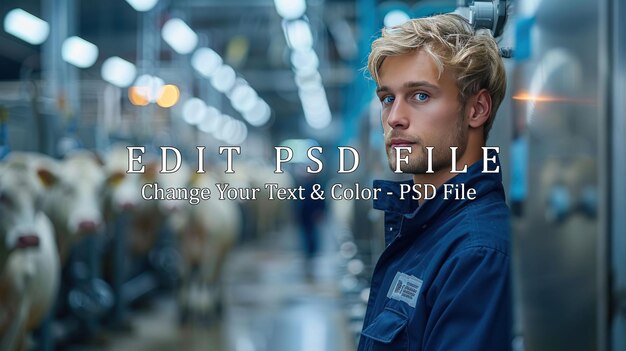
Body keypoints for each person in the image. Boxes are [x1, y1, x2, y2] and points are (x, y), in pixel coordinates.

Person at [358, 14, 511, 351]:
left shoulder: (476, 255)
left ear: (477, 109)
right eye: (388, 98)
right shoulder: (422, 226)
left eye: (421, 96)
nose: (394, 117)